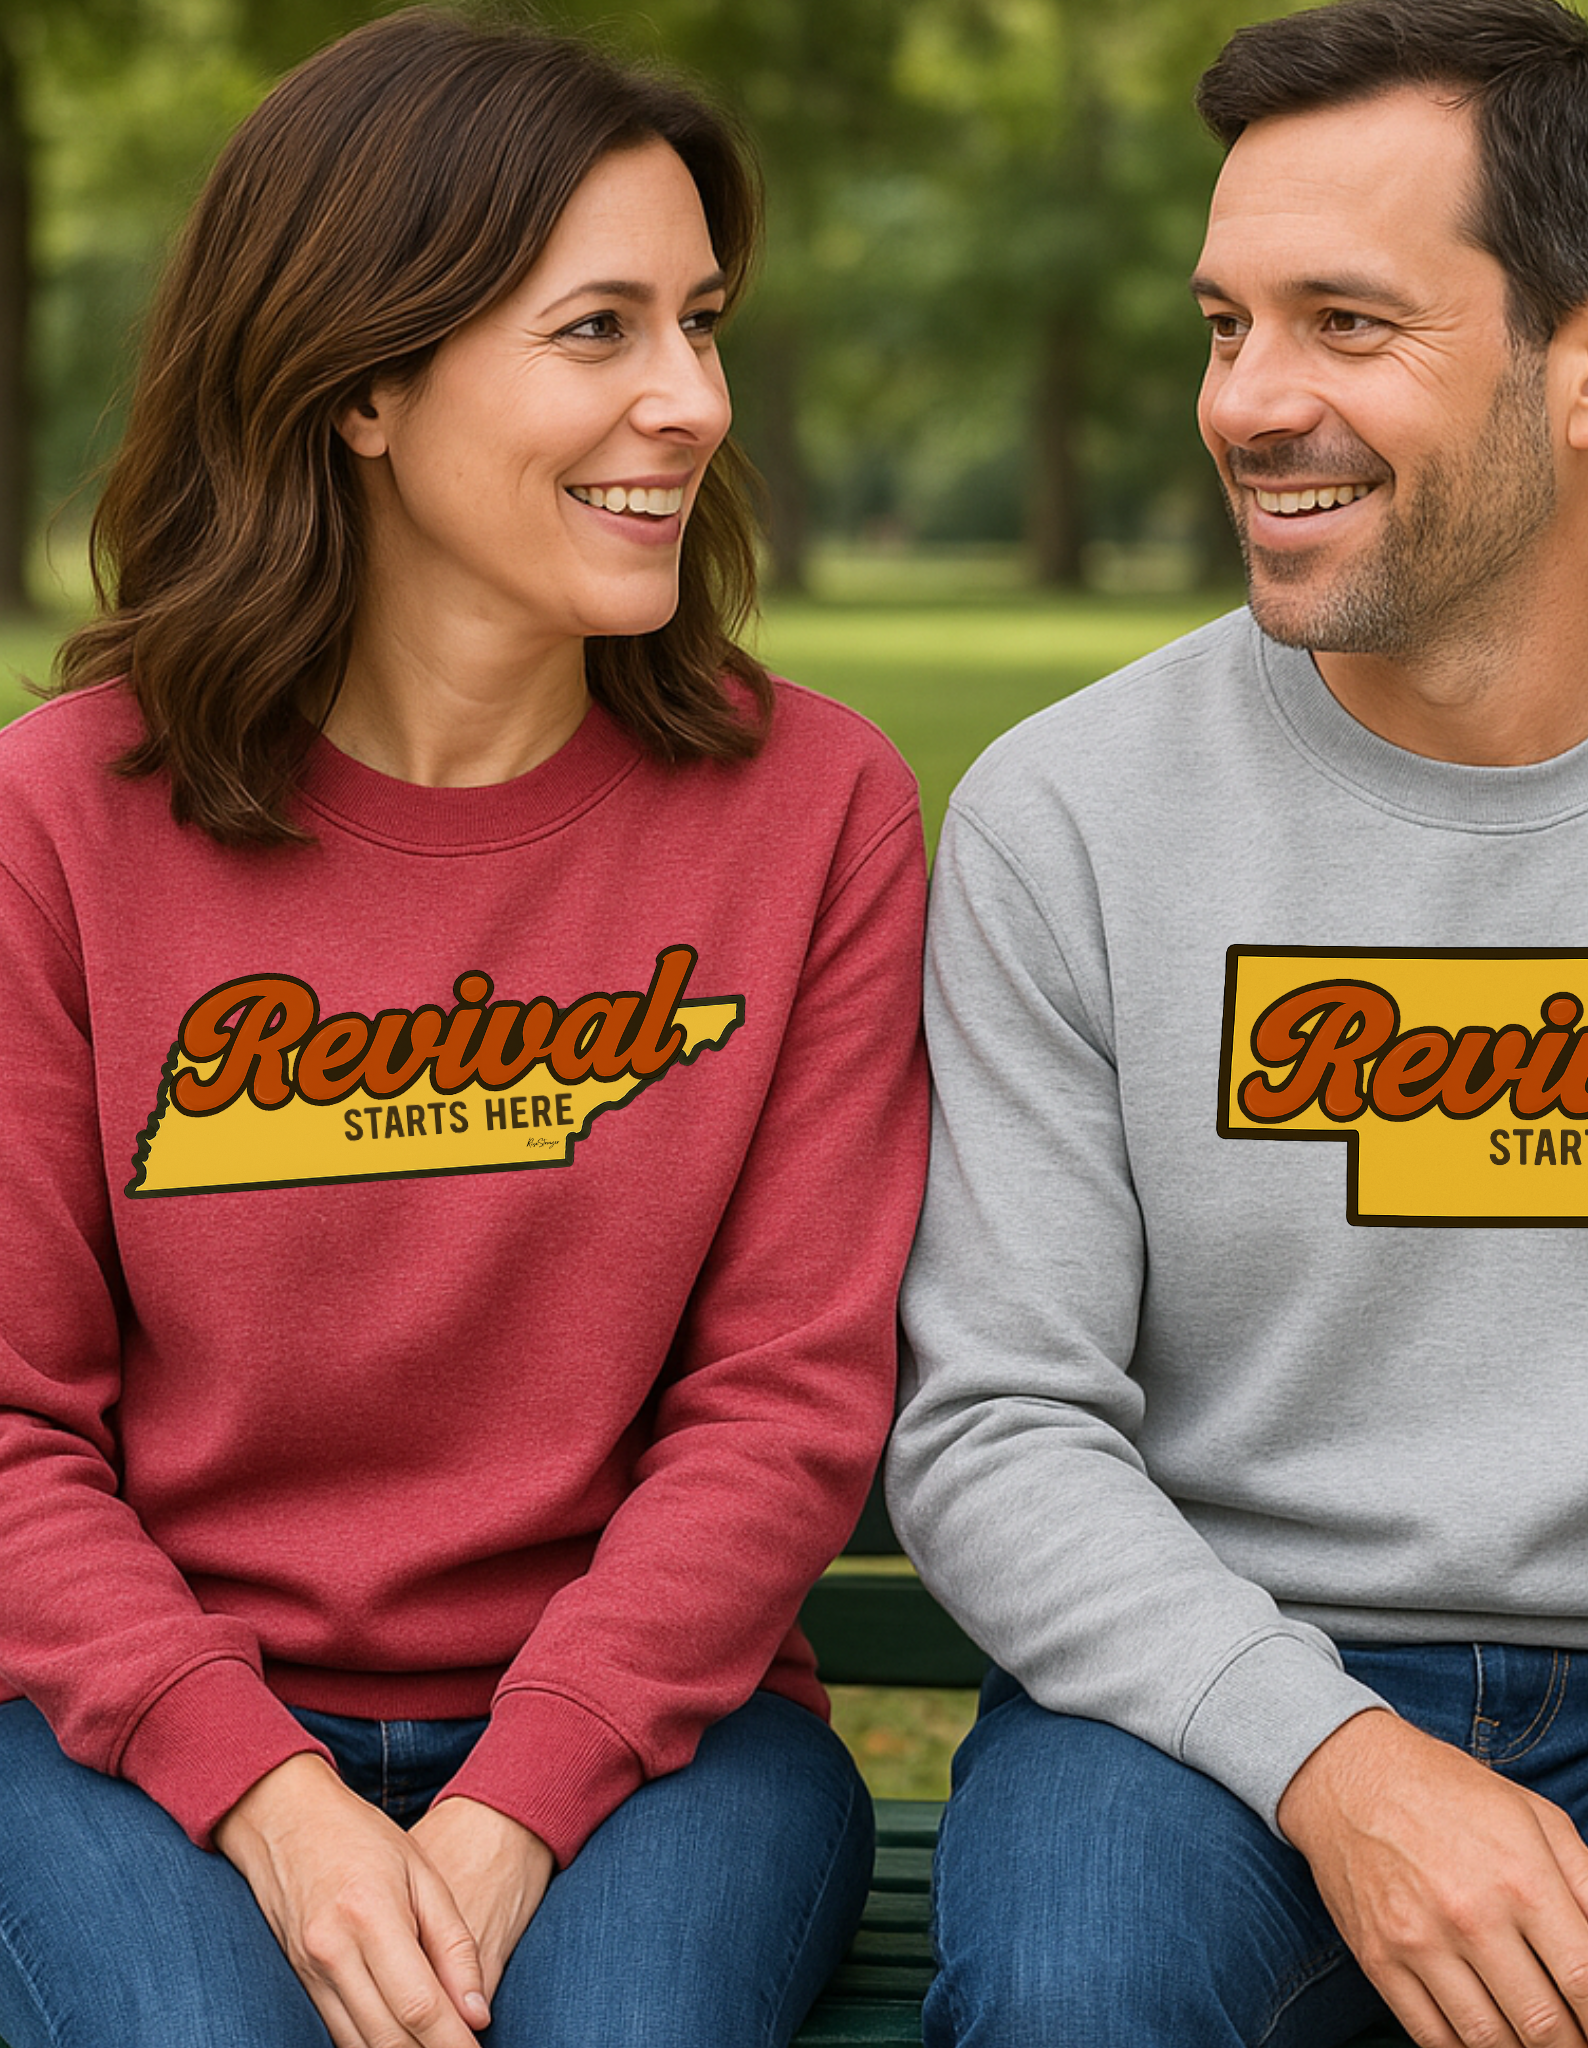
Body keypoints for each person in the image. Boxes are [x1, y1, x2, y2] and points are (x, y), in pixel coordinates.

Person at [885, 3, 1588, 2045]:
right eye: (1225, 323)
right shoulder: (1066, 815)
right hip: (1207, 1701)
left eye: (1345, 322)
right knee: (1078, 1996)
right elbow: (998, 1422)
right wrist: (1334, 1761)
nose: (1247, 400)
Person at [0, 12, 927, 2047]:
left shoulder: (816, 812)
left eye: (701, 321)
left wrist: (513, 1800)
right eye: (597, 330)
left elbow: (782, 1405)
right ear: (361, 385)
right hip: (134, 1734)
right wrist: (274, 1799)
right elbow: (10, 1432)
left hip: (662, 1749)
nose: (689, 400)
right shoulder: (64, 816)